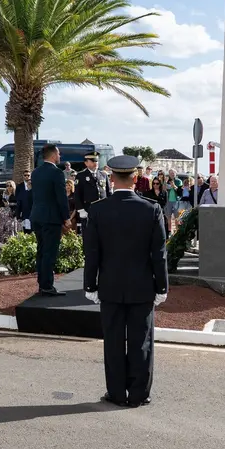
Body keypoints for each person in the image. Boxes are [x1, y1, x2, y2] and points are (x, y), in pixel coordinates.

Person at [82, 155, 169, 408]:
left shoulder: (98, 209)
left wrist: (90, 285)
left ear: (111, 178)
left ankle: (117, 393)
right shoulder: (151, 209)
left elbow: (93, 253)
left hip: (109, 286)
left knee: (113, 341)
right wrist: (162, 287)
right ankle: (139, 394)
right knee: (141, 341)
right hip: (142, 287)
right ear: (136, 178)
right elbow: (159, 254)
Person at [30, 145, 69, 297]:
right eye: (59, 153)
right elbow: (61, 198)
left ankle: (42, 283)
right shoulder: (56, 173)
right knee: (49, 253)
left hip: (37, 216)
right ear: (53, 155)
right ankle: (47, 286)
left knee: (41, 251)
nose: (60, 155)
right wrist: (66, 218)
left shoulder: (36, 172)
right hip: (51, 218)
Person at [73, 152, 109, 217]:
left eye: (97, 161)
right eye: (93, 161)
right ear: (86, 163)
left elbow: (108, 192)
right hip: (88, 209)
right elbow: (77, 194)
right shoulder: (81, 175)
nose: (96, 163)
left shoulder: (103, 175)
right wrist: (81, 209)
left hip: (103, 209)